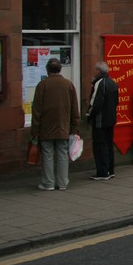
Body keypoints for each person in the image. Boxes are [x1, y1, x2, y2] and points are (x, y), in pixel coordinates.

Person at [31, 57, 79, 191]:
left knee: (47, 154)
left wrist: (35, 130)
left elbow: (36, 110)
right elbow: (74, 108)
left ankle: (48, 183)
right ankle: (63, 183)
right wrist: (74, 127)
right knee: (63, 154)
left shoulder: (42, 85)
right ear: (60, 69)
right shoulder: (68, 84)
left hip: (46, 127)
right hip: (64, 126)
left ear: (47, 70)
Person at [87, 60, 119, 180]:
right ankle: (110, 170)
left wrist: (88, 115)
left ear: (99, 71)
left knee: (100, 146)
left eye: (95, 70)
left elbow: (95, 103)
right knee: (109, 145)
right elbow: (116, 102)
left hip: (100, 121)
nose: (94, 72)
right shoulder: (113, 83)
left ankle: (102, 172)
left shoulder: (99, 83)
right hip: (111, 119)